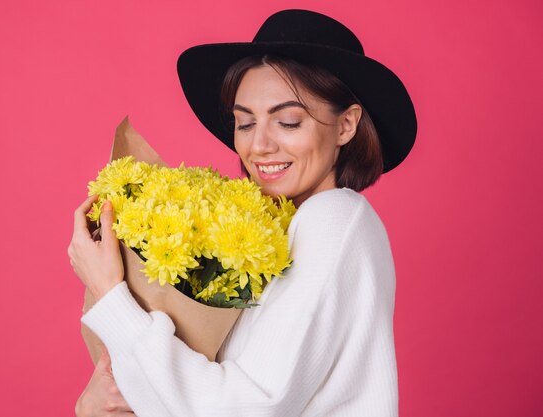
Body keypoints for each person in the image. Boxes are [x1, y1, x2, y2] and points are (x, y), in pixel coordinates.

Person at [68, 9, 417, 417]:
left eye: (287, 122)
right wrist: (99, 401)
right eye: (245, 123)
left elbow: (244, 407)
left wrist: (112, 297)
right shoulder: (274, 238)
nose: (260, 146)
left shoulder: (335, 219)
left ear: (345, 126)